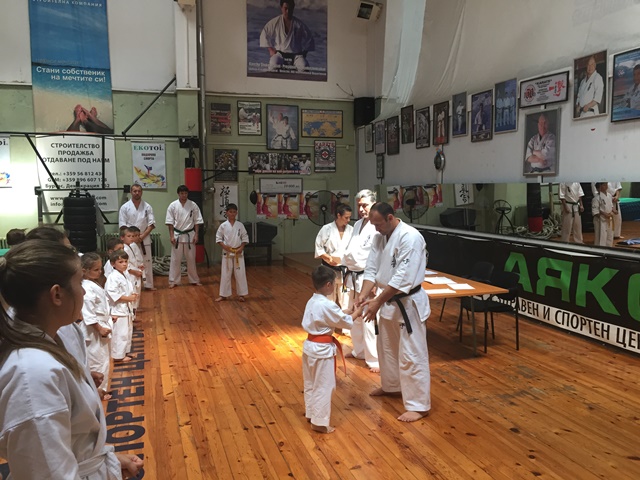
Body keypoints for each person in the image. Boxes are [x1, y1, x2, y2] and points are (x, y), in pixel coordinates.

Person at [0, 240, 143, 479]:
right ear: (57, 294)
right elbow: (48, 472)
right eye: (79, 283)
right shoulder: (32, 376)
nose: (84, 291)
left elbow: (68, 441)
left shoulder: (47, 343)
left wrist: (103, 461)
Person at [357, 202, 431, 423]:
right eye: (373, 225)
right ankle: (391, 387)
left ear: (390, 217)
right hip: (388, 301)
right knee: (387, 348)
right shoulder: (379, 237)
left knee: (412, 354)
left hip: (407, 304)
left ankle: (419, 405)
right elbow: (371, 269)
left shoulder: (411, 237)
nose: (376, 229)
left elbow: (402, 278)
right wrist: (362, 295)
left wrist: (377, 302)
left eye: (378, 224)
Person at [302, 265, 361, 434]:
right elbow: (345, 322)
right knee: (324, 385)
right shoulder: (327, 305)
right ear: (328, 284)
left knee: (311, 383)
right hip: (322, 350)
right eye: (334, 284)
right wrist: (358, 312)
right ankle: (319, 423)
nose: (334, 286)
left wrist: (346, 311)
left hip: (309, 347)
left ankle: (311, 413)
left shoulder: (312, 300)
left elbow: (332, 316)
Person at [342, 189, 380, 373]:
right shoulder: (357, 224)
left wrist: (375, 282)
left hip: (367, 277)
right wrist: (346, 269)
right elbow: (350, 251)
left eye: (365, 205)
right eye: (359, 205)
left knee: (368, 318)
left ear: (374, 204)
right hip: (353, 275)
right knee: (354, 314)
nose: (361, 209)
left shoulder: (377, 226)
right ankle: (359, 351)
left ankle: (374, 359)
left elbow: (379, 255)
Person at [80, 252, 113, 400]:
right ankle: (98, 391)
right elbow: (88, 312)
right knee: (97, 361)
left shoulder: (92, 283)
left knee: (103, 359)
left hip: (100, 323)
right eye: (96, 270)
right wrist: (99, 328)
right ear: (84, 270)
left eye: (100, 269)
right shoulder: (86, 287)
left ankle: (101, 389)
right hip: (93, 330)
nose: (100, 272)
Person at [314, 203, 353, 310]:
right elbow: (319, 247)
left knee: (346, 301)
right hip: (329, 268)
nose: (348, 220)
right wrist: (328, 258)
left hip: (345, 270)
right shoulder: (326, 229)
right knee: (329, 300)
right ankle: (329, 320)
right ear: (338, 215)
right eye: (346, 217)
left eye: (349, 217)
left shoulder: (351, 230)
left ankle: (345, 320)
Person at [119, 183, 156, 290]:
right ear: (131, 192)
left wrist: (141, 236)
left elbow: (151, 224)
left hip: (144, 238)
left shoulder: (147, 207)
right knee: (129, 262)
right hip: (129, 240)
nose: (137, 193)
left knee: (147, 262)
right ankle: (131, 286)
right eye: (135, 191)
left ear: (141, 192)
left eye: (139, 191)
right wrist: (132, 237)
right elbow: (122, 225)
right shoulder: (125, 207)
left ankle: (149, 285)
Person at [165, 185, 204, 288]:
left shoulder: (193, 205)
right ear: (178, 194)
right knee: (175, 260)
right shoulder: (173, 205)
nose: (184, 195)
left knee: (191, 259)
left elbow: (197, 221)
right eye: (182, 193)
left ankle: (194, 280)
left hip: (190, 235)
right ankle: (173, 281)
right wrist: (171, 236)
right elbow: (170, 223)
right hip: (177, 235)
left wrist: (196, 234)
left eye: (185, 193)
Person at [260, 0, 315, 73]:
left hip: (296, 56)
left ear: (293, 8)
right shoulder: (275, 22)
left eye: (290, 9)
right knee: (273, 65)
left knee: (304, 67)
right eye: (285, 8)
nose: (288, 11)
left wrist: (305, 52)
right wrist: (270, 49)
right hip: (280, 54)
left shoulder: (299, 24)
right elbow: (264, 33)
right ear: (281, 8)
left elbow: (309, 38)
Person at [105, 250, 138, 363]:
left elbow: (127, 289)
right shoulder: (113, 277)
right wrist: (129, 298)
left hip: (126, 309)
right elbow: (113, 294)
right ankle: (118, 356)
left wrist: (133, 295)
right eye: (120, 262)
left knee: (128, 332)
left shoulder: (124, 274)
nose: (124, 264)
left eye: (125, 261)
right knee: (120, 334)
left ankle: (125, 352)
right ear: (113, 264)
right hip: (118, 310)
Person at [215, 204, 249, 302]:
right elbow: (218, 238)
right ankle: (223, 295)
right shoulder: (223, 226)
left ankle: (241, 295)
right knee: (225, 273)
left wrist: (241, 247)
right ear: (226, 213)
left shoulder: (240, 225)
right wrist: (225, 247)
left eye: (234, 212)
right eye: (230, 212)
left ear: (236, 213)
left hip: (238, 252)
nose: (232, 214)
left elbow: (245, 237)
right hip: (227, 252)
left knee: (240, 274)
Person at [592, 182, 614, 247]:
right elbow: (595, 212)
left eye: (606, 184)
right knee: (601, 237)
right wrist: (604, 214)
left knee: (609, 236)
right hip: (600, 220)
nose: (606, 186)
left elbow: (611, 206)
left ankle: (609, 249)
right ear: (599, 187)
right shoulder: (596, 198)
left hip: (609, 219)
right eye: (604, 185)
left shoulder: (609, 195)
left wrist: (613, 211)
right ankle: (599, 251)